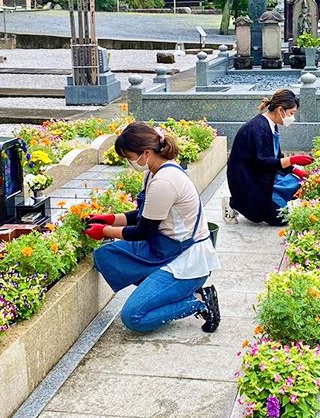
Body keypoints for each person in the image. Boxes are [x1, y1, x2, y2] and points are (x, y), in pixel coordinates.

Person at [83, 122, 221, 333]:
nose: (130, 162)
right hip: (163, 247)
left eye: (130, 157)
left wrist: (103, 231)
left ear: (145, 153)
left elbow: (143, 230)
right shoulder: (154, 172)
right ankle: (160, 290)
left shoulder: (165, 181)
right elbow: (143, 215)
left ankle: (199, 300)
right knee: (105, 256)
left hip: (186, 258)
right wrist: (110, 219)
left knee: (133, 317)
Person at [226, 89, 314, 226]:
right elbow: (264, 162)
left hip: (261, 176)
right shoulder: (257, 128)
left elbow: (277, 156)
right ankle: (234, 203)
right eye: (291, 113)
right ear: (280, 110)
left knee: (297, 184)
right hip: (248, 181)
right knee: (281, 217)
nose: (292, 118)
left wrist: (295, 170)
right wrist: (293, 160)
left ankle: (272, 197)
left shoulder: (270, 125)